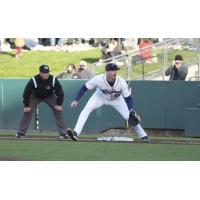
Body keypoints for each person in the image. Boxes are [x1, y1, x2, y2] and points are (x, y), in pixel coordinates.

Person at [67, 63, 150, 142]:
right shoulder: (98, 79)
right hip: (100, 96)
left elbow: (128, 98)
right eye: (112, 70)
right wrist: (76, 99)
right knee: (86, 109)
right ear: (107, 72)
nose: (115, 72)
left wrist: (131, 110)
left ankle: (143, 135)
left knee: (129, 116)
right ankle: (76, 133)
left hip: (117, 99)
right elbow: (84, 88)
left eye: (115, 70)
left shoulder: (121, 82)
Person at [16, 64, 68, 139]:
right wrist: (26, 105)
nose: (46, 74)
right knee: (27, 111)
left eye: (47, 72)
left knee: (58, 110)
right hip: (35, 96)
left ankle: (63, 133)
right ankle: (20, 133)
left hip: (49, 96)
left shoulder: (52, 79)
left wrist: (59, 104)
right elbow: (26, 93)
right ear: (40, 73)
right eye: (44, 72)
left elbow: (60, 92)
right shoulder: (34, 80)